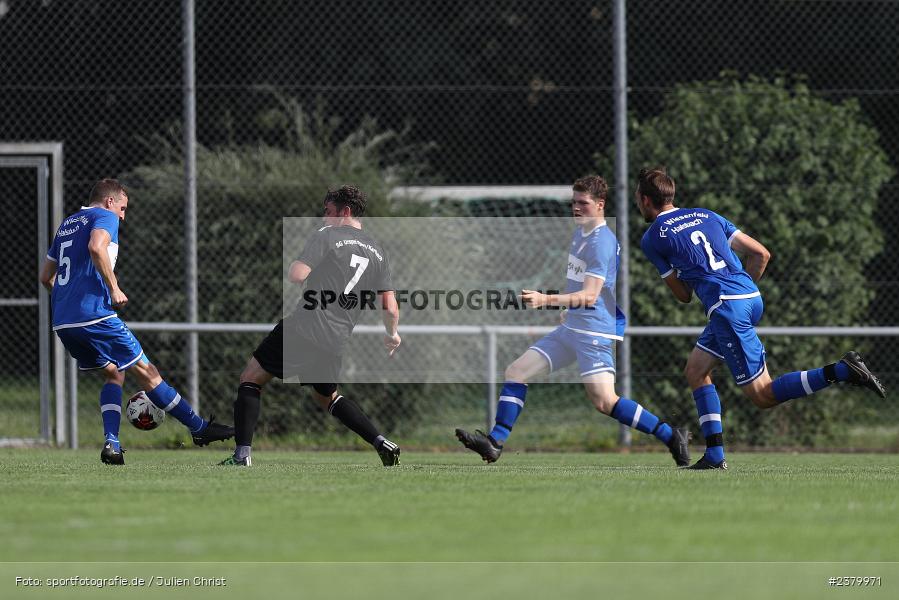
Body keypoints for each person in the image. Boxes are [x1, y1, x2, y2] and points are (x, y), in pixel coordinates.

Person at [635, 167, 886, 470]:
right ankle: (714, 455)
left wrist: (692, 274)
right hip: (750, 298)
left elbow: (683, 296)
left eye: (637, 198)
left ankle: (841, 371)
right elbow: (762, 254)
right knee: (696, 370)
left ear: (646, 199)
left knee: (763, 395)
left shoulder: (652, 238)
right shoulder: (707, 215)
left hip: (726, 308)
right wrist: (741, 293)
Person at [455, 175, 690, 466]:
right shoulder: (582, 234)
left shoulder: (602, 242)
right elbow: (581, 286)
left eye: (583, 203)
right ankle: (495, 443)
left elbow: (591, 295)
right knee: (516, 371)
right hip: (572, 328)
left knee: (604, 401)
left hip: (595, 332)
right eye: (573, 202)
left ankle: (670, 435)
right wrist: (568, 308)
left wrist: (546, 299)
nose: (576, 208)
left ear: (600, 205)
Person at [39, 179, 235, 465]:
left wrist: (66, 299)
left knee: (113, 373)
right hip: (95, 315)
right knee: (147, 371)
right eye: (122, 207)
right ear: (109, 202)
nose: (122, 216)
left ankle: (112, 444)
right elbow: (96, 247)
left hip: (64, 322)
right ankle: (199, 428)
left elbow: (46, 277)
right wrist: (114, 287)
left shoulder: (68, 223)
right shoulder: (103, 216)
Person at [220, 185, 402, 467]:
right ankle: (381, 442)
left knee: (250, 377)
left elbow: (296, 275)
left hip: (305, 326)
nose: (323, 218)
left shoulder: (327, 236)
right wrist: (392, 334)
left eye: (328, 212)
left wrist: (299, 264)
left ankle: (241, 455)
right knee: (327, 397)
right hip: (336, 338)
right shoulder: (378, 252)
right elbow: (390, 306)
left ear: (346, 212)